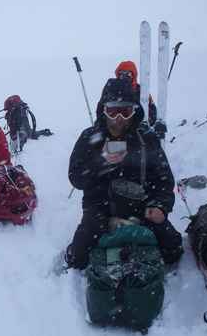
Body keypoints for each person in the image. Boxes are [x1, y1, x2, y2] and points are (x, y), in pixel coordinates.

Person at [66, 78, 183, 270]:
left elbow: (164, 180)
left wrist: (159, 206)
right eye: (112, 110)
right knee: (77, 259)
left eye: (125, 111)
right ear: (103, 110)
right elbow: (76, 177)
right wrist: (101, 162)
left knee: (173, 250)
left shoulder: (147, 139)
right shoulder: (90, 138)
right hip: (100, 207)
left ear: (134, 111)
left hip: (141, 205)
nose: (119, 117)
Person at [96, 61, 159, 127]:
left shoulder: (141, 91)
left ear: (134, 75)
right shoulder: (111, 88)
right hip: (114, 126)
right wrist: (99, 124)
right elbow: (101, 106)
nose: (124, 76)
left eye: (128, 74)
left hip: (134, 128)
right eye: (121, 73)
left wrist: (148, 123)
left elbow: (152, 111)